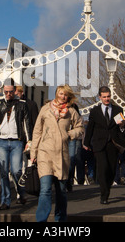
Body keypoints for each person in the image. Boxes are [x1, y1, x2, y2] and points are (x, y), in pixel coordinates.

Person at [31, 84, 84, 222]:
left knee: (61, 192)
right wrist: (33, 152)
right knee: (45, 189)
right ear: (56, 94)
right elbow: (37, 131)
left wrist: (70, 134)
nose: (63, 96)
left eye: (65, 94)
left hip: (62, 155)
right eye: (61, 93)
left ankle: (60, 219)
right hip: (45, 153)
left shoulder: (71, 112)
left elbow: (80, 127)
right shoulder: (45, 109)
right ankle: (41, 220)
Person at [0, 79, 33, 210]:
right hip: (2, 141)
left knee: (16, 171)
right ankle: (5, 200)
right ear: (3, 90)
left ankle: (21, 192)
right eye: (6, 92)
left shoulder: (21, 104)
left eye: (10, 92)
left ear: (14, 91)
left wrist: (29, 141)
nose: (8, 94)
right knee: (3, 171)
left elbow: (27, 122)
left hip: (17, 141)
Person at [83, 86, 125, 204]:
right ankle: (104, 194)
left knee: (112, 169)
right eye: (104, 97)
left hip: (113, 144)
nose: (107, 99)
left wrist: (122, 127)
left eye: (108, 96)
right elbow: (90, 128)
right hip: (99, 144)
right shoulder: (95, 111)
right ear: (100, 97)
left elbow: (121, 129)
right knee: (102, 169)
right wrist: (86, 143)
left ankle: (108, 188)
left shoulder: (118, 110)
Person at [67, 103, 85, 191]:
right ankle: (68, 179)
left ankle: (75, 178)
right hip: (66, 138)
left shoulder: (78, 116)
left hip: (75, 138)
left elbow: (81, 129)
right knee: (73, 159)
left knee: (74, 158)